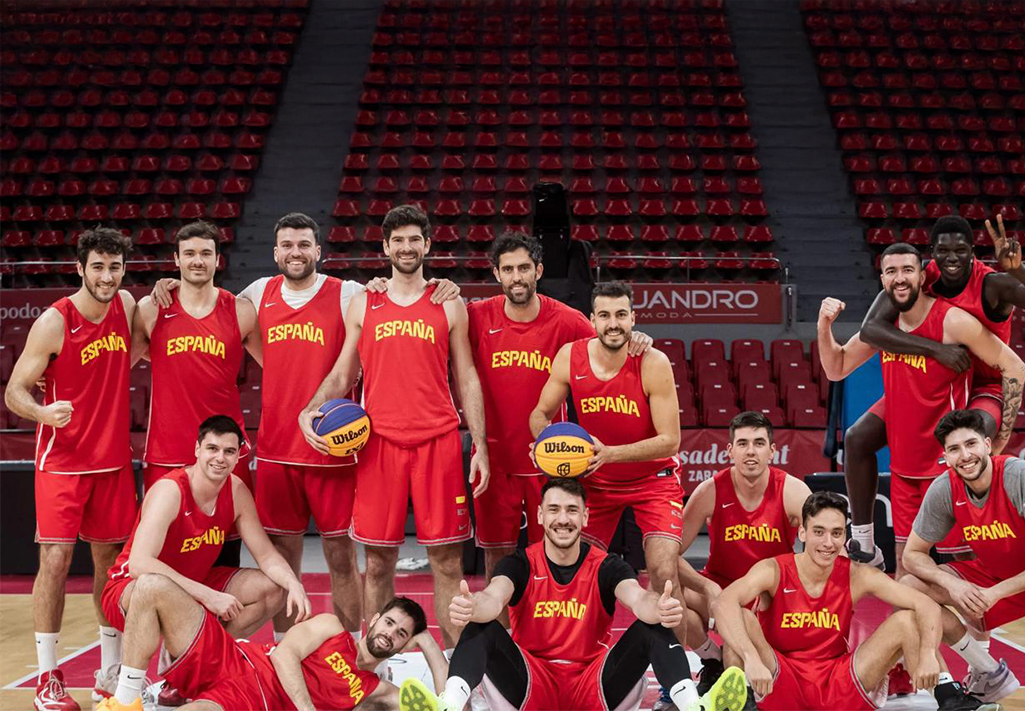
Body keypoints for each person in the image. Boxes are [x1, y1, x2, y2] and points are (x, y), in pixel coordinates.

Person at [149, 212, 461, 642]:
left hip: (334, 450)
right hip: (277, 451)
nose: (295, 253)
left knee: (341, 557)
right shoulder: (256, 295)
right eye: (287, 246)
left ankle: (350, 650)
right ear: (275, 252)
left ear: (318, 250)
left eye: (303, 245)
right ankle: (285, 649)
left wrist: (444, 285)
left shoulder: (348, 293)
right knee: (281, 559)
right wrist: (169, 284)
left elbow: (396, 292)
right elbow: (205, 300)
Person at [299, 204, 489, 649]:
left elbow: (466, 376)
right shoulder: (365, 302)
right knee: (379, 563)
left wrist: (479, 442)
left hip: (438, 441)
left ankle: (456, 669)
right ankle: (379, 662)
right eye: (398, 240)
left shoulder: (449, 302)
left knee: (447, 562)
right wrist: (311, 409)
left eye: (414, 239)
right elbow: (344, 372)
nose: (406, 247)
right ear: (385, 247)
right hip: (379, 444)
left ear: (427, 244)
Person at [396, 478, 749, 711]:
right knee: (481, 628)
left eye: (571, 510)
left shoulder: (607, 566)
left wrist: (660, 608)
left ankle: (694, 706)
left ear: (585, 517)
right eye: (554, 509)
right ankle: (449, 705)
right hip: (529, 683)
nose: (562, 519)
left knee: (653, 628)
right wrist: (473, 606)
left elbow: (637, 598)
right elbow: (494, 597)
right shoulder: (520, 563)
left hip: (595, 685)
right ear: (539, 515)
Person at [846, 215, 1025, 570]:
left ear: (973, 252)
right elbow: (871, 328)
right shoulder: (922, 276)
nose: (951, 258)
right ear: (932, 254)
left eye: (960, 250)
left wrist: (1019, 270)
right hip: (937, 378)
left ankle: (983, 543)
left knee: (971, 439)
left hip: (983, 385)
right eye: (943, 251)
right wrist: (935, 350)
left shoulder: (991, 285)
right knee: (857, 438)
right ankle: (864, 544)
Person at [818, 242, 1025, 577]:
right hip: (905, 466)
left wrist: (1000, 439)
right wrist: (824, 325)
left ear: (922, 275)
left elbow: (1013, 365)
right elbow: (837, 367)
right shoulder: (883, 327)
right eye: (891, 271)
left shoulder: (952, 320)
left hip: (944, 462)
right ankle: (865, 545)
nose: (900, 278)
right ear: (882, 280)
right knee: (906, 570)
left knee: (964, 567)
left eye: (907, 270)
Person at [467, 231, 651, 593]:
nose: (516, 277)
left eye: (524, 268)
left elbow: (610, 340)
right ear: (496, 273)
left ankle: (549, 627)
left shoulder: (568, 321)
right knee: (497, 562)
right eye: (508, 269)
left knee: (553, 557)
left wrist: (638, 338)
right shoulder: (476, 316)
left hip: (552, 460)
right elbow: (434, 316)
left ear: (538, 270)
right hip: (494, 461)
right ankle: (501, 629)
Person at [5, 227, 138, 711]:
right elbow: (14, 391)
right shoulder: (54, 321)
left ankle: (109, 670)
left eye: (114, 267)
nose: (106, 276)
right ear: (80, 268)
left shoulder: (127, 305)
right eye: (97, 266)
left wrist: (167, 285)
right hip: (62, 462)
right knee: (56, 562)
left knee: (110, 564)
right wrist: (42, 412)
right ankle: (47, 678)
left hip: (113, 462)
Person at [712, 490, 996, 711]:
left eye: (836, 533)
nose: (828, 543)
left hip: (838, 682)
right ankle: (743, 699)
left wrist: (926, 654)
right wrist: (751, 659)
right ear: (802, 533)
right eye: (819, 532)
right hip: (779, 679)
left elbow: (926, 605)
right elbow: (724, 602)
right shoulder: (773, 570)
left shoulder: (856, 575)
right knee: (741, 616)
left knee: (906, 621)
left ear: (844, 536)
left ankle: (948, 696)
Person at [99, 415, 311, 705]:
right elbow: (139, 564)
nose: (220, 458)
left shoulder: (236, 490)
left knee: (274, 588)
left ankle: (187, 673)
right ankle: (126, 699)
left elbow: (265, 554)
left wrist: (294, 584)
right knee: (152, 586)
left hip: (190, 585)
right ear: (197, 449)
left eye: (229, 451)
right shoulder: (170, 491)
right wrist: (208, 596)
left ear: (238, 456)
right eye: (212, 448)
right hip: (129, 589)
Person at [529, 281, 686, 635]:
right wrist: (544, 442)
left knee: (663, 572)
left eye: (620, 315)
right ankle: (584, 656)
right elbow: (539, 414)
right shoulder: (570, 357)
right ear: (592, 320)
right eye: (604, 315)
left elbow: (670, 441)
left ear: (633, 318)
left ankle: (675, 665)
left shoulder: (653, 362)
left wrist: (611, 454)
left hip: (653, 481)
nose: (613, 324)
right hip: (596, 483)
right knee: (574, 569)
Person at [900, 409, 1025, 710]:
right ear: (945, 457)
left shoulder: (1019, 474)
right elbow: (912, 555)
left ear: (987, 445)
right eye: (954, 449)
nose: (965, 456)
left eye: (971, 444)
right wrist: (953, 584)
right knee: (909, 588)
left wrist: (996, 593)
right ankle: (989, 672)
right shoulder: (945, 488)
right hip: (992, 576)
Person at [94, 595, 447, 711]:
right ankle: (126, 698)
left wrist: (428, 642)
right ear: (375, 620)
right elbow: (283, 656)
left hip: (251, 700)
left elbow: (444, 706)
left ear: (405, 645)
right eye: (389, 623)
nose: (389, 634)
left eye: (401, 634)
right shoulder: (331, 627)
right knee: (153, 589)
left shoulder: (374, 688)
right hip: (235, 658)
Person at [675, 411, 810, 701]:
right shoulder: (710, 491)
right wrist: (706, 587)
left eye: (759, 443)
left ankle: (736, 674)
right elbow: (668, 555)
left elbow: (824, 548)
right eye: (743, 443)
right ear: (730, 451)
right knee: (668, 593)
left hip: (768, 598)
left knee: (740, 632)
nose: (751, 451)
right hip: (719, 591)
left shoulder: (793, 490)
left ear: (772, 451)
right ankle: (712, 660)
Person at [133, 221, 257, 492]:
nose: (197, 261)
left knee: (233, 521)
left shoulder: (241, 311)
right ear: (176, 259)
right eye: (189, 253)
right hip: (167, 450)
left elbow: (278, 364)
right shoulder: (151, 310)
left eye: (205, 253)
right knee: (163, 519)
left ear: (218, 259)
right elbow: (112, 365)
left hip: (225, 449)